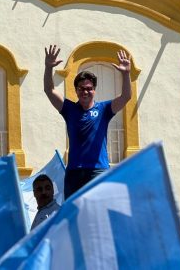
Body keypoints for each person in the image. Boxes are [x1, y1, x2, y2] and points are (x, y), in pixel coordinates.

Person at [44, 44, 132, 199]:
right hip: (74, 172)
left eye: (89, 88)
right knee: (74, 215)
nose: (85, 91)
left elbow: (126, 97)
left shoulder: (105, 109)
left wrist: (126, 74)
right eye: (81, 88)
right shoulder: (69, 109)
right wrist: (48, 67)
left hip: (97, 171)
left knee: (98, 214)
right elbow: (49, 90)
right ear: (76, 91)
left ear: (94, 90)